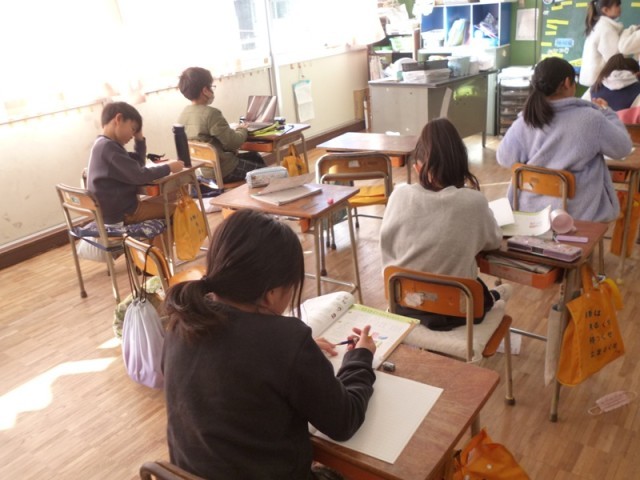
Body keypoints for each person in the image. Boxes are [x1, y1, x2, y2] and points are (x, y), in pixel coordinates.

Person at [163, 209, 377, 479]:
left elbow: (232, 362)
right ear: (272, 293)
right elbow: (344, 422)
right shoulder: (286, 342)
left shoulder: (182, 321)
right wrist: (360, 358)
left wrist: (292, 353)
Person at [379, 118, 511, 332]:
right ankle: (495, 296)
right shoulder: (473, 202)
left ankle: (494, 296)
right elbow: (493, 242)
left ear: (417, 167)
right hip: (457, 311)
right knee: (475, 288)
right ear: (462, 165)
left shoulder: (399, 195)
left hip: (404, 305)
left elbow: (388, 245)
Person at [497, 57, 632, 223]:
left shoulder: (526, 119)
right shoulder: (592, 118)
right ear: (568, 82)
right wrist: (608, 113)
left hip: (530, 214)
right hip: (578, 215)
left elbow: (504, 158)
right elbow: (622, 149)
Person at [87, 102, 183, 226]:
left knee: (162, 209)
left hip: (112, 213)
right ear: (118, 119)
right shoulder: (109, 148)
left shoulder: (103, 144)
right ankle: (165, 239)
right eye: (133, 129)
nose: (133, 135)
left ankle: (161, 238)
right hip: (123, 213)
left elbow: (138, 165)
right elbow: (139, 175)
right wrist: (169, 167)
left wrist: (139, 139)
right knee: (178, 211)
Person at [177, 66, 265, 186]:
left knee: (255, 156)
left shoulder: (183, 115)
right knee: (267, 173)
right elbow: (233, 143)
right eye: (211, 87)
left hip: (204, 170)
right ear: (205, 90)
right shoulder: (211, 114)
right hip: (225, 170)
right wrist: (242, 129)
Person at [579, 0, 624, 87]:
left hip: (595, 81)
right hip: (600, 83)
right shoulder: (606, 29)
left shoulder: (599, 25)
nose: (620, 8)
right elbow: (616, 60)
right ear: (606, 10)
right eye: (617, 5)